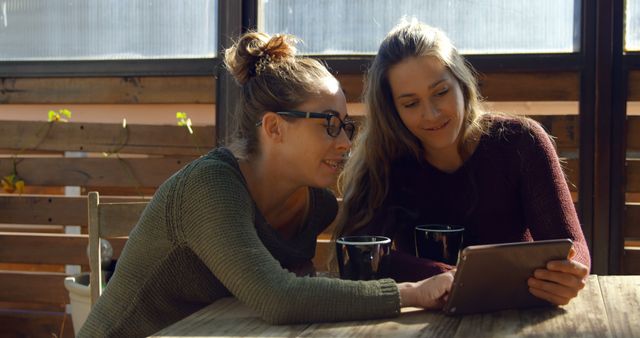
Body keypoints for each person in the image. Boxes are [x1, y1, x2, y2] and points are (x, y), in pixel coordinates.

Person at [78, 31, 454, 338]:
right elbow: (278, 297)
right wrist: (412, 293)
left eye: (345, 126)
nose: (344, 142)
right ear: (274, 127)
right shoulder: (209, 186)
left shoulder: (317, 205)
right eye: (328, 124)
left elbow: (294, 288)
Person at [334, 20, 590, 307]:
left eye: (440, 92)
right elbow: (357, 251)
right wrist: (443, 277)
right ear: (392, 110)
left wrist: (570, 274)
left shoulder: (521, 141)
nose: (431, 114)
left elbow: (571, 246)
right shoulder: (385, 158)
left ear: (462, 83)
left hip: (518, 312)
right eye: (410, 103)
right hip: (424, 319)